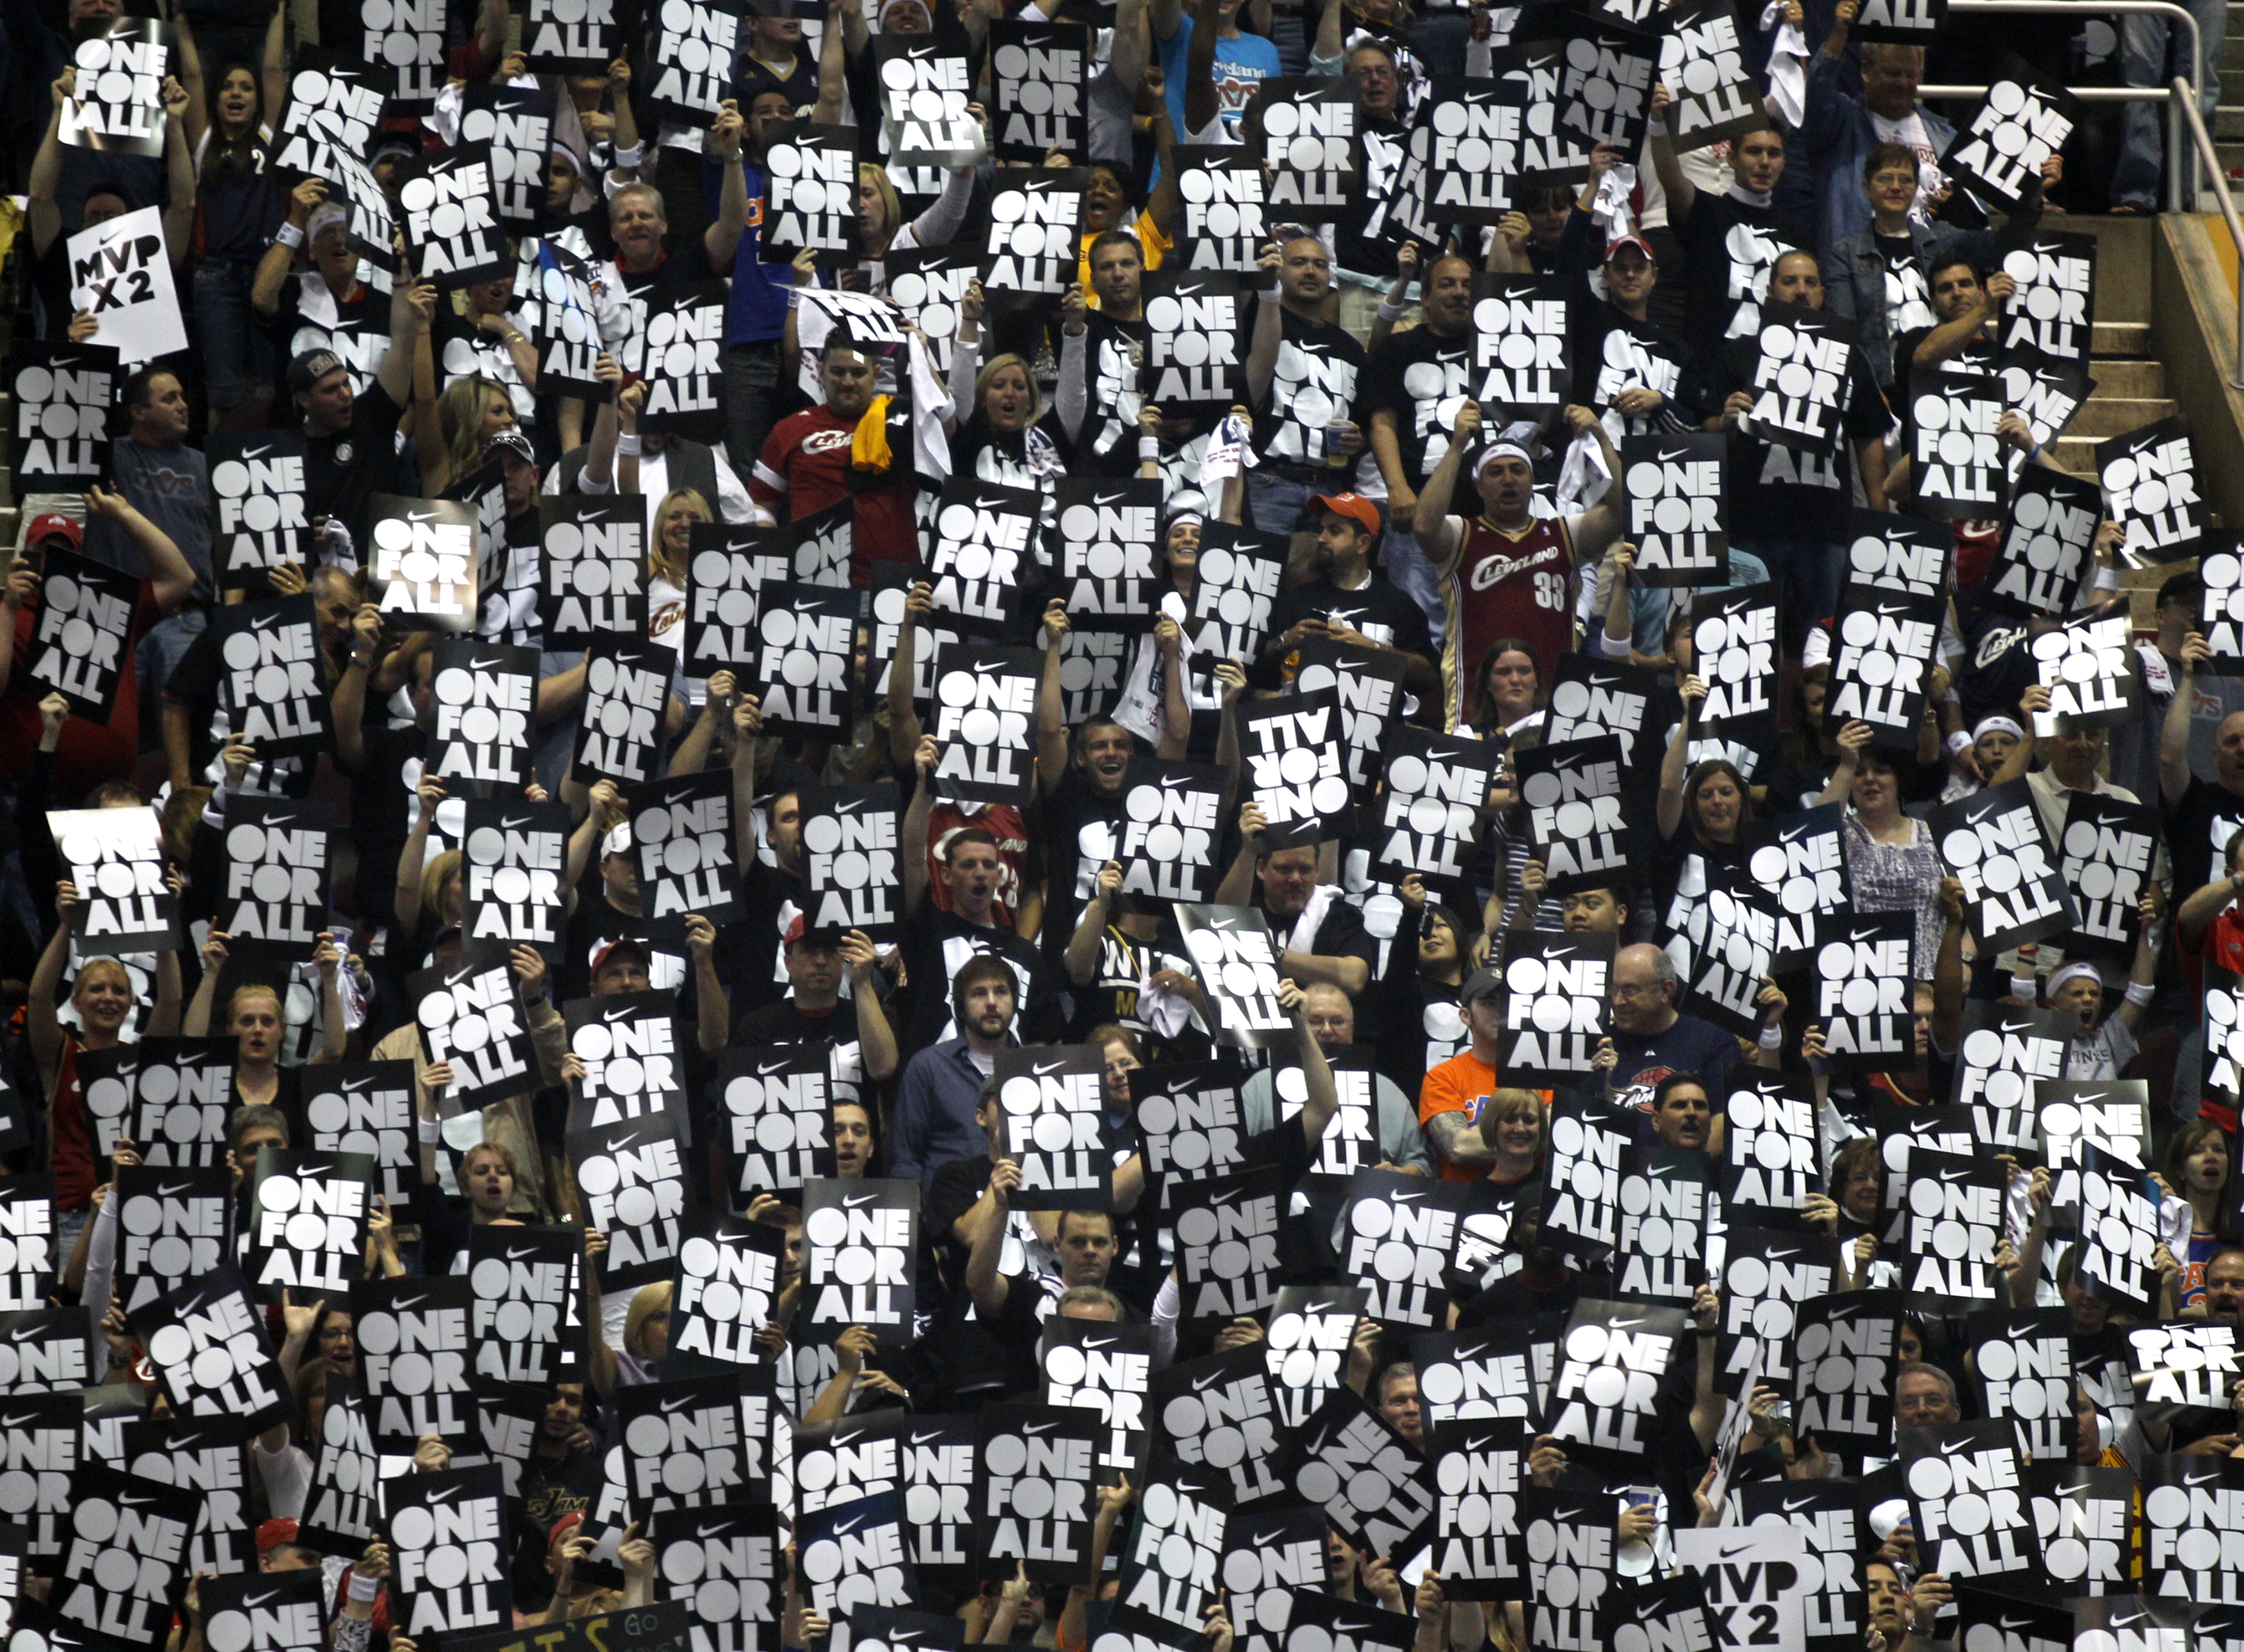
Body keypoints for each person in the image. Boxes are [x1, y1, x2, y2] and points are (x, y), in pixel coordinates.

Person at [1411, 400, 1627, 721]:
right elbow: (1424, 526)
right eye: (1495, 472)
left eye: (1517, 470)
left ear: (1532, 482)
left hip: (1555, 706)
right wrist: (1457, 446)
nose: (1508, 479)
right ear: (1480, 487)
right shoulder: (1461, 534)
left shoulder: (1565, 533)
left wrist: (1602, 438)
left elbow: (1622, 511)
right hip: (1473, 709)